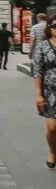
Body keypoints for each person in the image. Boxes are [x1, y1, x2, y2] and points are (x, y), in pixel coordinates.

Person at [31, 19, 56, 169]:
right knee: (52, 127)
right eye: (55, 26)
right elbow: (38, 72)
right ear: (50, 28)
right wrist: (38, 95)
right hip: (51, 93)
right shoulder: (42, 46)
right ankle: (53, 151)